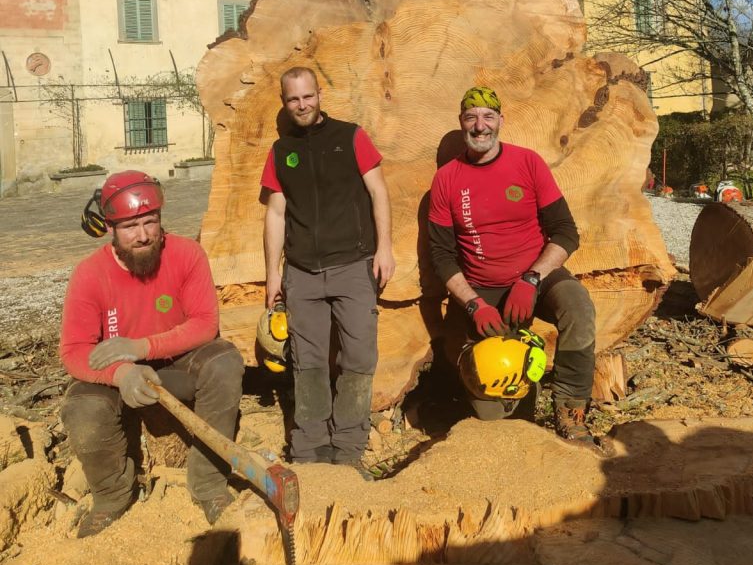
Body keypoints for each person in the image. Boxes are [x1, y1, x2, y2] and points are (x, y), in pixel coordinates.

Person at [60, 170, 244, 538]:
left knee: (224, 361)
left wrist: (143, 346)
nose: (143, 235)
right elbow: (73, 350)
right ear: (110, 227)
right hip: (120, 375)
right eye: (130, 226)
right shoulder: (90, 274)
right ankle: (112, 496)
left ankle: (207, 483)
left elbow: (205, 323)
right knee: (81, 407)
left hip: (174, 364)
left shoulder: (187, 254)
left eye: (150, 222)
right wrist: (121, 372)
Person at [428, 87, 599, 447]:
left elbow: (566, 233)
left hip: (536, 274)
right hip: (480, 289)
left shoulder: (527, 163)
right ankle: (511, 422)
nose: (480, 125)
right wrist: (473, 303)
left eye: (488, 116)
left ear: (501, 121)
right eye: (471, 117)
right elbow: (442, 255)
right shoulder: (447, 179)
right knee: (495, 418)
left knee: (578, 307)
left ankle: (570, 412)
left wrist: (532, 279)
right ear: (461, 123)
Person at [261, 66, 396, 474]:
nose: (301, 105)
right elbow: (276, 214)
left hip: (354, 264)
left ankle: (349, 448)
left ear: (320, 94)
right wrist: (272, 274)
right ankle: (309, 450)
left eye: (308, 96)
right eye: (293, 99)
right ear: (284, 103)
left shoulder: (351, 137)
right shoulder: (281, 150)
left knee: (357, 358)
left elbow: (379, 192)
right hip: (301, 272)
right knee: (309, 362)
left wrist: (384, 248)